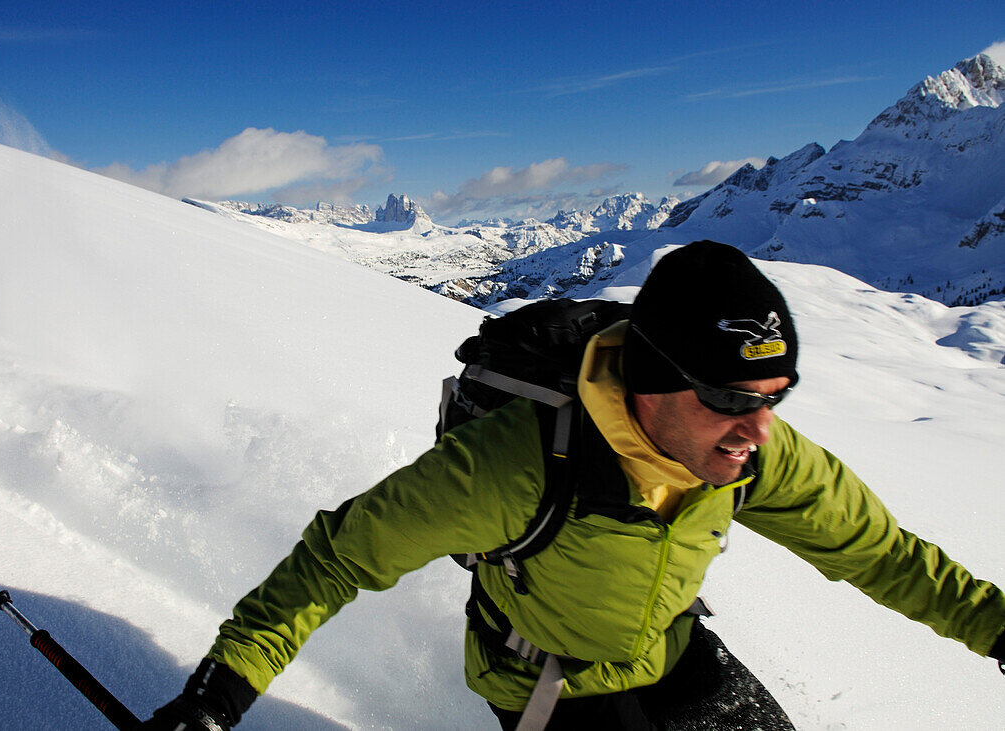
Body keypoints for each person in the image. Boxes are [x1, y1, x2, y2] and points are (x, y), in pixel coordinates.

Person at [142, 241, 1005, 730]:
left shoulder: (750, 453)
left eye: (777, 400)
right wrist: (219, 692)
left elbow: (883, 554)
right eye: (733, 401)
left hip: (669, 652)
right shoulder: (514, 467)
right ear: (652, 380)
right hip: (548, 688)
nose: (761, 430)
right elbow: (339, 556)